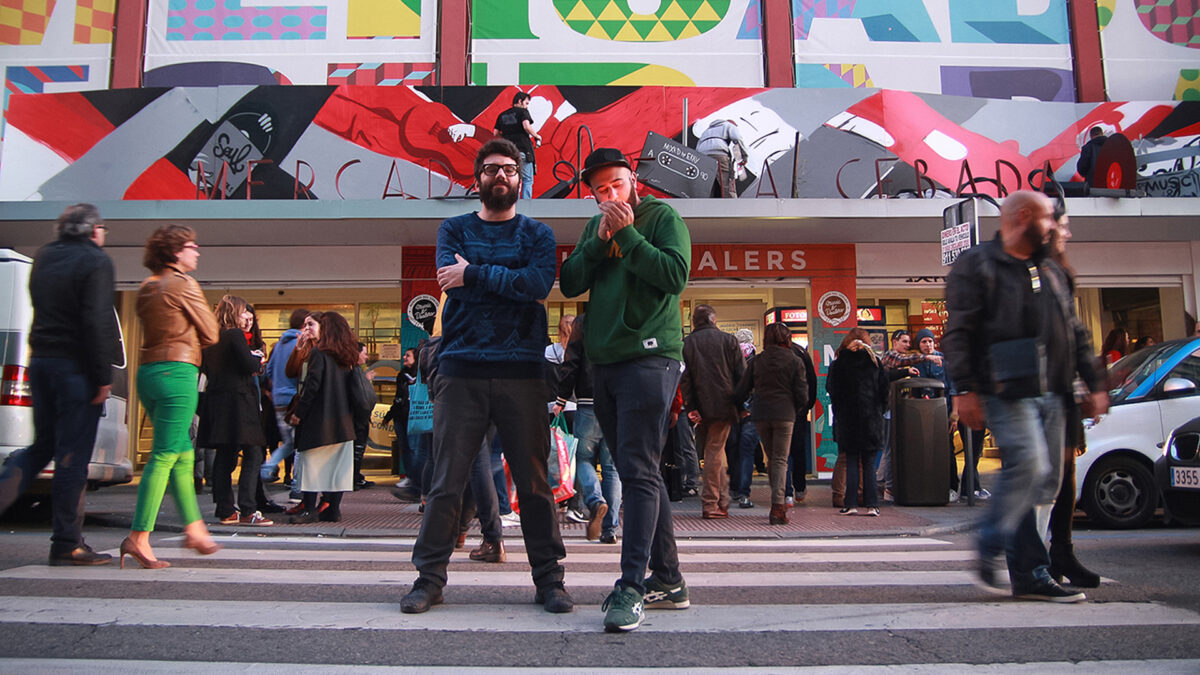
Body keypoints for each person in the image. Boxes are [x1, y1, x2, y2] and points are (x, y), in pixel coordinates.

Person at [399, 138, 571, 616]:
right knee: (446, 481)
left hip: (522, 372)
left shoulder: (537, 233)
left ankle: (550, 580)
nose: (501, 176)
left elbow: (536, 286)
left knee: (535, 483)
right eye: (492, 169)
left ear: (520, 180)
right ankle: (428, 580)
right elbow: (482, 282)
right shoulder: (452, 229)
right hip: (461, 369)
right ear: (477, 180)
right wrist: (500, 280)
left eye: (510, 170)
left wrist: (474, 274)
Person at [945, 190, 1108, 603]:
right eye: (1049, 218)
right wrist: (964, 389)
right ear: (1022, 216)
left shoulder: (1049, 269)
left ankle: (1029, 573)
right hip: (1006, 388)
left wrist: (1094, 381)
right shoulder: (978, 265)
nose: (1055, 226)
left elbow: (1075, 331)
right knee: (1029, 466)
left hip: (1053, 390)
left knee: (1046, 482)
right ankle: (993, 542)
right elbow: (960, 332)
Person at [559, 147, 691, 633]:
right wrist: (599, 240)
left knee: (636, 471)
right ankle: (670, 580)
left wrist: (628, 233)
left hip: (652, 356)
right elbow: (570, 281)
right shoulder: (595, 228)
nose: (609, 194)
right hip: (606, 361)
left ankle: (631, 585)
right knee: (643, 472)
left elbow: (675, 276)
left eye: (616, 184)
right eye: (600, 190)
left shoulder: (661, 216)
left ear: (632, 180)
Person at [0, 205, 121, 565]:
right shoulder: (95, 260)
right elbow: (96, 320)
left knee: (41, 447)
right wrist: (103, 377)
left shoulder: (45, 256)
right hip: (75, 369)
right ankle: (67, 542)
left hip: (41, 362)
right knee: (72, 457)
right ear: (94, 230)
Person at [123, 224, 223, 568]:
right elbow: (211, 332)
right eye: (192, 246)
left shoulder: (146, 286)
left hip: (148, 372)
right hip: (178, 372)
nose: (197, 251)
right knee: (165, 454)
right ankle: (138, 536)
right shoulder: (183, 283)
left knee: (181, 451)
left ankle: (194, 528)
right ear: (176, 252)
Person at [1045, 205, 1101, 589]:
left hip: (1062, 389)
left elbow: (1075, 332)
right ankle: (1032, 555)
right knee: (1041, 479)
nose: (1068, 234)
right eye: (1063, 227)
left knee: (1065, 477)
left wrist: (1092, 381)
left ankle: (1061, 550)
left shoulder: (1060, 273)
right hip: (1035, 390)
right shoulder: (1025, 269)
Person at [198, 295, 272, 527]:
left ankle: (226, 509)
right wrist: (257, 360)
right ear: (233, 313)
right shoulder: (234, 335)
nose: (248, 318)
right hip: (240, 403)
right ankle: (249, 509)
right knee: (253, 454)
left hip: (218, 402)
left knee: (225, 456)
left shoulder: (210, 338)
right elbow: (249, 366)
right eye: (244, 313)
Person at [287, 312, 359, 523]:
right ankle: (332, 509)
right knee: (338, 469)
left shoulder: (319, 354)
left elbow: (312, 387)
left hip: (320, 419)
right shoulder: (347, 356)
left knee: (312, 466)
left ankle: (309, 508)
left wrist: (299, 413)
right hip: (344, 420)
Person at [732, 322, 808, 525]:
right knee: (781, 459)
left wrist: (743, 408)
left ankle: (778, 501)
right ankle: (778, 505)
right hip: (785, 413)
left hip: (761, 413)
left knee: (773, 457)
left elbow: (741, 390)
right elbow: (802, 393)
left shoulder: (758, 361)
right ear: (787, 338)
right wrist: (796, 409)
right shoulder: (794, 360)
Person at [554, 315, 620, 542]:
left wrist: (562, 397)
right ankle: (610, 530)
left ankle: (594, 500)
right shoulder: (621, 316)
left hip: (587, 403)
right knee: (612, 468)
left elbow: (571, 362)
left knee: (583, 459)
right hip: (616, 402)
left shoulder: (583, 322)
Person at [681, 304, 745, 518]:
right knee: (714, 453)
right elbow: (741, 376)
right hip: (724, 405)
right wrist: (742, 405)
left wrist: (691, 407)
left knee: (716, 452)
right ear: (713, 319)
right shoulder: (729, 341)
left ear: (695, 322)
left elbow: (685, 379)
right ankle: (710, 503)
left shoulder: (687, 343)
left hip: (700, 406)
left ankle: (722, 500)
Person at [826, 327, 890, 518]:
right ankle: (872, 505)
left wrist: (840, 411)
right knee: (869, 463)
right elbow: (884, 391)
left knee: (851, 461)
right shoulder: (874, 362)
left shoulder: (839, 363)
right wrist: (879, 410)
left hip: (848, 420)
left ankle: (851, 504)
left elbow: (832, 390)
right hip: (871, 419)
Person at [261, 308, 309, 496]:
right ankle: (297, 487)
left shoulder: (279, 344)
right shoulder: (301, 343)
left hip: (278, 400)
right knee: (299, 444)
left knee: (289, 442)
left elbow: (269, 371)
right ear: (304, 324)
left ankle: (267, 468)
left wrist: (275, 390)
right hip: (295, 399)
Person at [785, 340, 818, 505]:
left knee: (781, 453)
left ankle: (786, 493)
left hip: (778, 409)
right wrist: (807, 405)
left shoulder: (767, 355)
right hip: (799, 408)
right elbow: (812, 381)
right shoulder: (801, 353)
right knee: (798, 449)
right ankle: (799, 487)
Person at [493, 91, 542, 199]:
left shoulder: (502, 115)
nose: (527, 106)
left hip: (507, 152)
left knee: (511, 178)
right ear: (520, 101)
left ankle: (511, 203)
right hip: (523, 150)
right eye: (526, 103)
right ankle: (526, 204)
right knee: (527, 180)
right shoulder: (523, 112)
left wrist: (506, 140)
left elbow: (495, 133)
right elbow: (526, 126)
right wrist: (537, 136)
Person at [696, 118, 748, 198]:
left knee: (707, 182)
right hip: (719, 153)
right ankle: (729, 203)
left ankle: (707, 202)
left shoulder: (706, 131)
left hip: (703, 156)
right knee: (725, 180)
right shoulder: (728, 125)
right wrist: (744, 157)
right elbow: (737, 138)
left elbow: (697, 148)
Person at [352, 341, 377, 490]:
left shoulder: (358, 371)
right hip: (358, 419)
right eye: (364, 353)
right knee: (356, 450)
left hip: (361, 418)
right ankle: (353, 478)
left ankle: (355, 476)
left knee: (358, 450)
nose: (367, 357)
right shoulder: (354, 371)